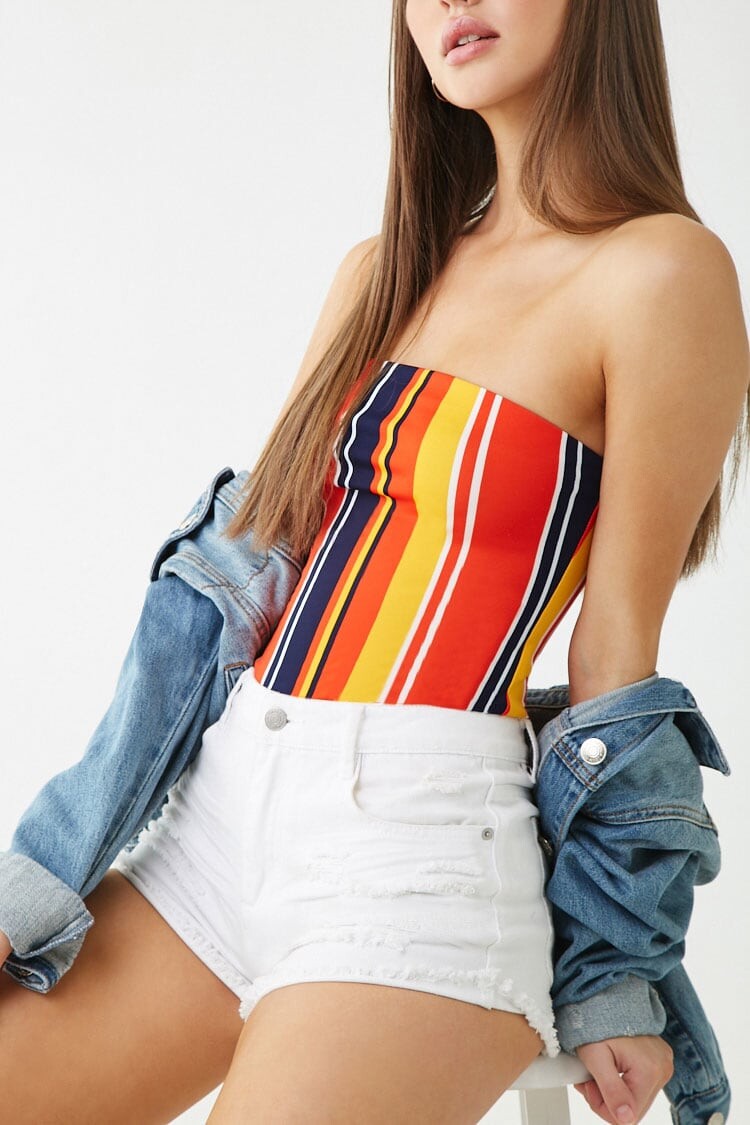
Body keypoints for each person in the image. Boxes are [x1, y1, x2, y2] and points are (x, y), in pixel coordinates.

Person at [1, 1, 748, 1123]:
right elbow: (232, 598)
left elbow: (616, 660)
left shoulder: (660, 271)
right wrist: (42, 871)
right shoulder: (379, 275)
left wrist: (614, 972)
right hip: (221, 815)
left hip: (420, 855)